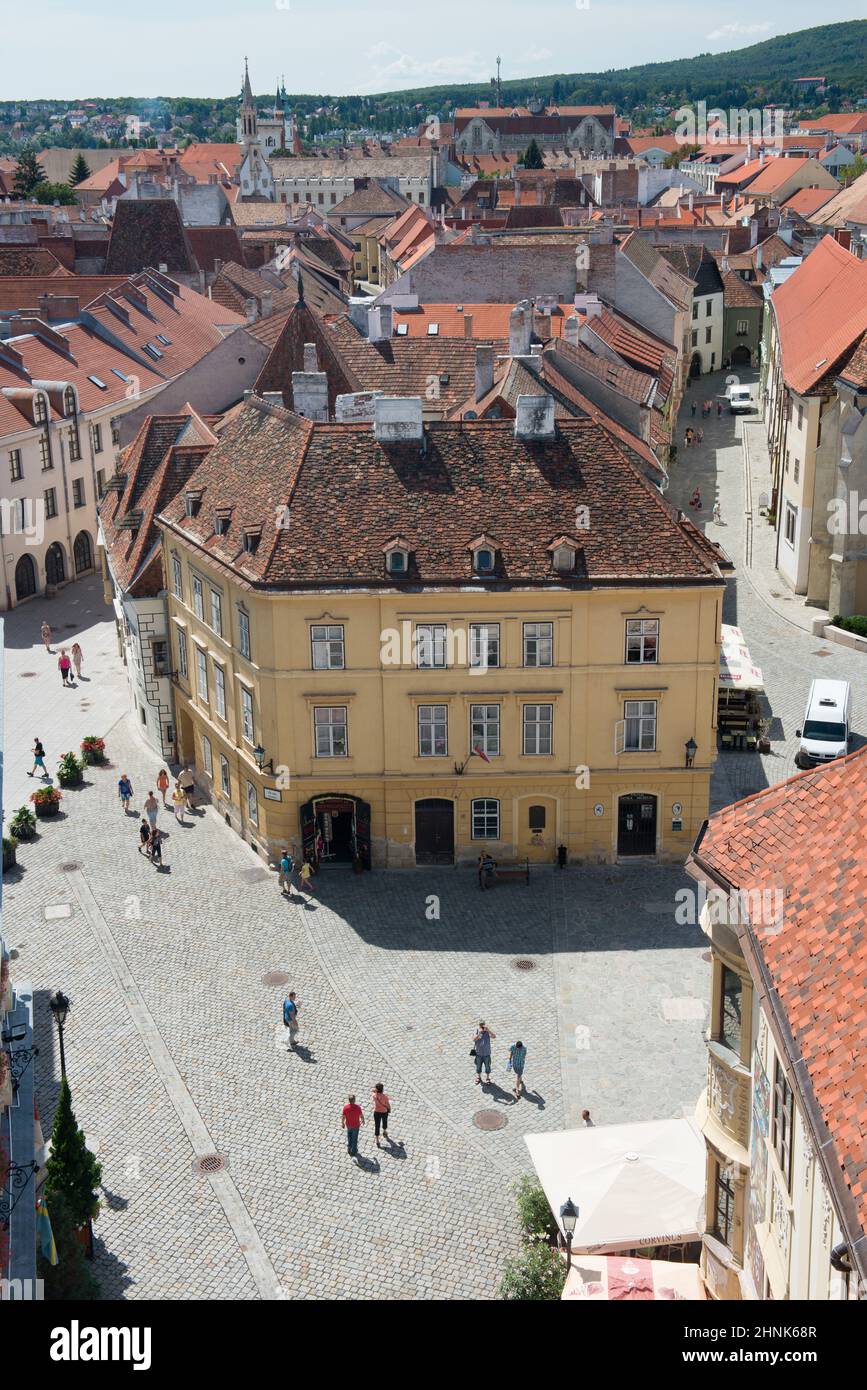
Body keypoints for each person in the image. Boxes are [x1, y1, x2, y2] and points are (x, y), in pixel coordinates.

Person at [341, 1094, 364, 1159]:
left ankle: (349, 1148)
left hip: (349, 1125)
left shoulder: (346, 1107)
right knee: (355, 1138)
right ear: (354, 1100)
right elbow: (361, 1115)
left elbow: (343, 1116)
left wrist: (342, 1123)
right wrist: (363, 1120)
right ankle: (353, 1151)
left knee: (349, 1136)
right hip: (356, 1125)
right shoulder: (357, 1107)